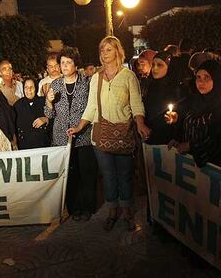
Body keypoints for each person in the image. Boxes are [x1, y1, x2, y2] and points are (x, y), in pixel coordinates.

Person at [67, 36, 150, 232]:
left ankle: (128, 212)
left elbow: (136, 103)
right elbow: (91, 106)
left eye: (108, 50)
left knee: (125, 175)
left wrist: (140, 123)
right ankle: (113, 212)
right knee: (108, 176)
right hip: (101, 135)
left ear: (117, 52)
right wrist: (80, 127)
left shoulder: (128, 76)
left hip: (123, 133)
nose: (104, 54)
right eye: (102, 50)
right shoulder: (96, 77)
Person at [45, 47, 98, 221]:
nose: (65, 66)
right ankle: (74, 208)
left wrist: (81, 126)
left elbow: (92, 108)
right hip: (61, 137)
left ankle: (88, 207)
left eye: (69, 62)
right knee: (70, 174)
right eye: (62, 63)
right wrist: (49, 102)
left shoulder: (86, 82)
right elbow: (49, 115)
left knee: (87, 173)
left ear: (76, 64)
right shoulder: (55, 84)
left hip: (83, 136)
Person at [166, 60, 221, 170]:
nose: (201, 82)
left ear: (216, 79)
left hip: (213, 166)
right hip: (190, 165)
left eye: (206, 77)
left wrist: (190, 145)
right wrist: (177, 129)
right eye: (198, 77)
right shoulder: (194, 100)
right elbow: (187, 124)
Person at [144, 52, 180, 145]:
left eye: (160, 65)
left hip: (169, 140)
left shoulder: (176, 89)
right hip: (150, 137)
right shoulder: (150, 86)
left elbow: (182, 116)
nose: (155, 68)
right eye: (153, 65)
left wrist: (175, 118)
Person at [14, 77, 50, 149]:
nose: (29, 90)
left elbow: (55, 118)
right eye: (26, 87)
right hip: (25, 146)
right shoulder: (17, 105)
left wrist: (46, 119)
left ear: (36, 88)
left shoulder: (44, 101)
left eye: (31, 87)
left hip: (43, 145)